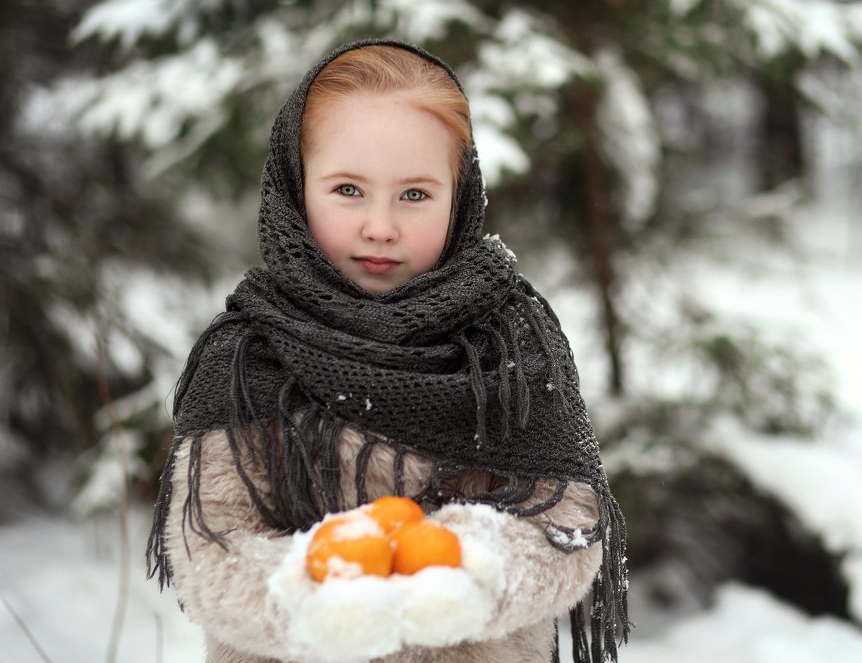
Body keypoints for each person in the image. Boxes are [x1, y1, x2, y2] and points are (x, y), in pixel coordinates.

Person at [146, 39, 629, 663]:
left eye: (415, 195)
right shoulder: (249, 356)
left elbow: (566, 527)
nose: (381, 225)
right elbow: (210, 547)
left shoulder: (506, 347)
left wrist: (471, 571)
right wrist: (314, 595)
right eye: (348, 189)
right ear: (295, 188)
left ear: (461, 196)